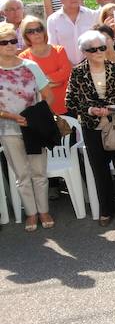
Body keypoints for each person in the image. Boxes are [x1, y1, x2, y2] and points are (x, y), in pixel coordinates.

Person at [65, 29, 115, 226]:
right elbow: (70, 101)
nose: (98, 52)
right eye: (93, 49)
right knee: (100, 171)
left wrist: (112, 109)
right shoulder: (77, 72)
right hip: (91, 128)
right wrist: (90, 109)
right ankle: (106, 211)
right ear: (85, 51)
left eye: (102, 48)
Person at [0, 22, 52, 231]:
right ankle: (31, 213)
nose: (11, 45)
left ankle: (44, 211)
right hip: (8, 129)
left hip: (34, 127)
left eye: (14, 40)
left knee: (39, 171)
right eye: (5, 42)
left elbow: (49, 95)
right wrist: (12, 117)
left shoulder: (30, 66)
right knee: (22, 174)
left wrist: (33, 117)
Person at [18, 15, 72, 115]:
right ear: (25, 35)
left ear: (44, 31)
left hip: (65, 105)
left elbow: (66, 73)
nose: (36, 33)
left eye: (39, 29)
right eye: (30, 31)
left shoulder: (59, 50)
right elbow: (28, 85)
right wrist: (53, 81)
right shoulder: (23, 57)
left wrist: (42, 82)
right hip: (41, 109)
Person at [47, 0, 97, 65]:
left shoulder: (92, 15)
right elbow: (53, 47)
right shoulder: (53, 20)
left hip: (92, 65)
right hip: (65, 67)